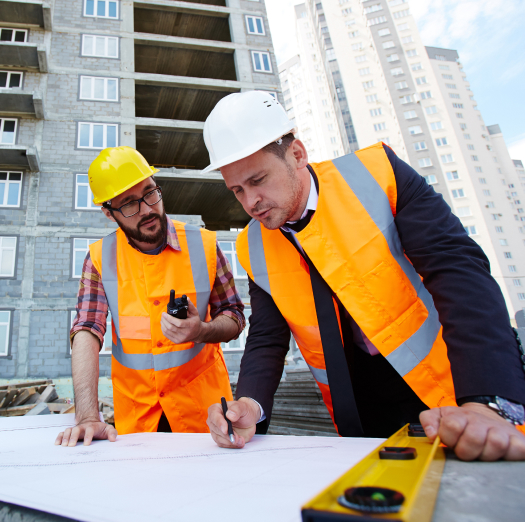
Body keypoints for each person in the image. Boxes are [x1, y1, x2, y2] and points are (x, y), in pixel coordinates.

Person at [205, 91, 525, 462]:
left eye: (258, 179)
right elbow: (266, 338)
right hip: (358, 411)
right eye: (237, 190)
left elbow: (457, 270)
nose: (250, 202)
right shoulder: (251, 245)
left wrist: (488, 399)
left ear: (296, 155)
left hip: (453, 386)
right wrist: (251, 404)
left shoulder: (377, 174)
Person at [56, 146, 244, 447]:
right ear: (108, 212)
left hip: (206, 418)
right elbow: (86, 330)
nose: (147, 209)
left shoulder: (204, 246)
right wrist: (88, 416)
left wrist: (203, 330)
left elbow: (234, 315)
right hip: (138, 420)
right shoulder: (100, 258)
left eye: (150, 193)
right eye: (129, 204)